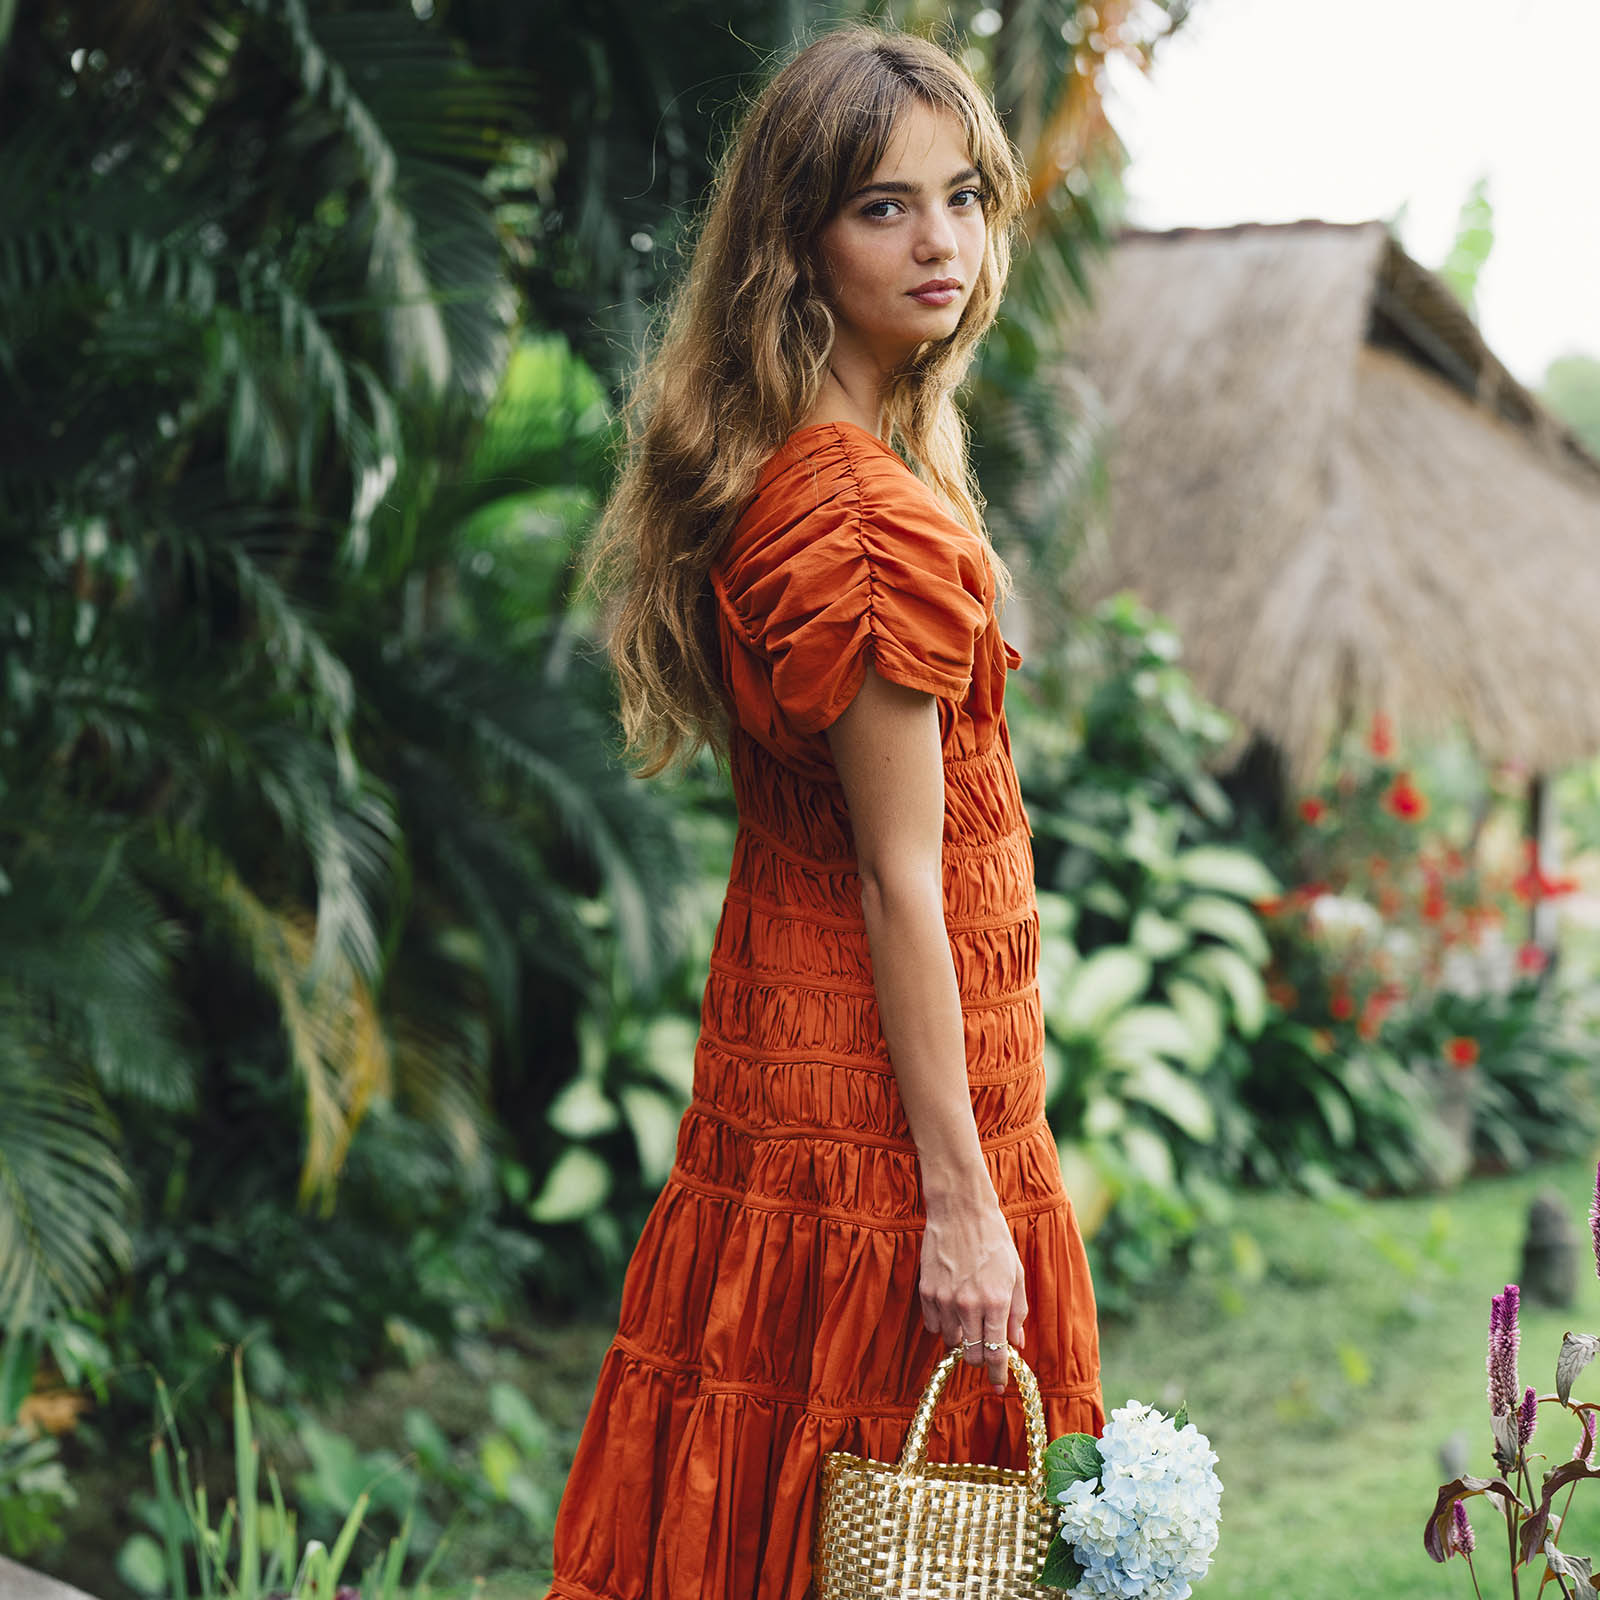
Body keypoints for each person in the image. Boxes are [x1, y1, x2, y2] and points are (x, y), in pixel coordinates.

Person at [546, 20, 1103, 1600]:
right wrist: (959, 1203)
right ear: (796, 245)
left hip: (825, 1088)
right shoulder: (855, 521)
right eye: (882, 205)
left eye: (964, 197)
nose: (942, 240)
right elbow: (898, 885)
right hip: (877, 1124)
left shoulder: (840, 462)